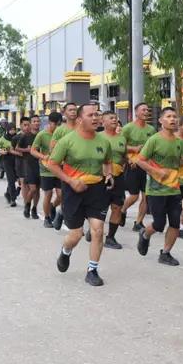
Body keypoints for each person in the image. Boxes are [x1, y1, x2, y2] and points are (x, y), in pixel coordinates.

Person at [48, 103, 115, 287]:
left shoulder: (103, 141)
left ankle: (92, 270)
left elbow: (108, 161)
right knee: (76, 234)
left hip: (97, 190)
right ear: (79, 119)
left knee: (98, 230)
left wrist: (108, 174)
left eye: (97, 115)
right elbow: (52, 164)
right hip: (73, 190)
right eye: (91, 115)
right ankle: (65, 251)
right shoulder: (67, 141)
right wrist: (70, 181)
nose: (96, 118)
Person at [135, 107, 183, 266]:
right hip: (156, 190)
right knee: (159, 224)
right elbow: (140, 160)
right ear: (161, 121)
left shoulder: (179, 142)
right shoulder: (154, 140)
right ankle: (145, 234)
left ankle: (166, 253)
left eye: (175, 117)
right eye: (169, 116)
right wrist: (156, 171)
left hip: (174, 189)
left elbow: (177, 162)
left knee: (175, 223)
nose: (173, 119)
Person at [121, 102, 156, 231]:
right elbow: (120, 146)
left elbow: (154, 147)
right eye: (143, 110)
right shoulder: (128, 128)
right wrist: (134, 150)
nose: (146, 112)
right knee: (134, 195)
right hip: (133, 165)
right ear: (136, 112)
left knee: (146, 196)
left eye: (147, 110)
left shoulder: (151, 130)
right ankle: (123, 210)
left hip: (146, 166)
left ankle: (138, 223)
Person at [99, 111, 127, 248]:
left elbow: (124, 155)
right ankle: (95, 230)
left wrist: (123, 165)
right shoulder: (97, 137)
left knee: (117, 207)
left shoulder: (121, 138)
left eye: (116, 118)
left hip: (119, 177)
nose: (114, 120)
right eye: (111, 118)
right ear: (103, 122)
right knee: (100, 207)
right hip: (101, 178)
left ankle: (110, 237)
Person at [32, 112, 64, 228]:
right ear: (50, 123)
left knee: (61, 195)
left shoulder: (62, 134)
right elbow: (33, 150)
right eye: (57, 124)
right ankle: (46, 217)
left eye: (61, 124)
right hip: (46, 169)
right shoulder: (42, 135)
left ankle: (52, 206)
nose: (59, 127)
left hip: (60, 169)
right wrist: (43, 156)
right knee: (48, 193)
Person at [17, 115, 42, 220]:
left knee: (38, 190)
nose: (36, 123)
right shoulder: (25, 136)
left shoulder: (42, 135)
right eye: (34, 121)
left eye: (38, 121)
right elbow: (17, 148)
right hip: (29, 164)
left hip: (41, 165)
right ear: (31, 123)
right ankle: (27, 205)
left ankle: (34, 208)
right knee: (32, 189)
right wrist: (27, 150)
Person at [0, 125, 21, 207]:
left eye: (14, 129)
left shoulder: (19, 137)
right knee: (11, 180)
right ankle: (13, 199)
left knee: (18, 179)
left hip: (18, 160)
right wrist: (2, 151)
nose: (12, 131)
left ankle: (8, 193)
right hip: (7, 161)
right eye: (11, 129)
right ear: (7, 130)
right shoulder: (3, 138)